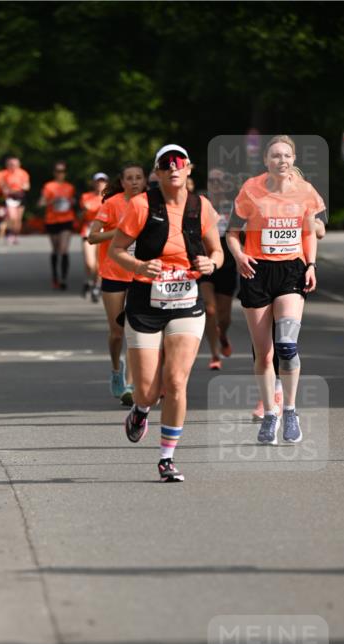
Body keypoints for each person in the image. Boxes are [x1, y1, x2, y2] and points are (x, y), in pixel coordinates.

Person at [108, 144, 222, 482]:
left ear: (189, 169)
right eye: (165, 164)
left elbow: (217, 252)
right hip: (145, 303)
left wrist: (210, 263)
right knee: (147, 389)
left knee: (175, 381)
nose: (173, 168)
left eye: (179, 163)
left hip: (186, 304)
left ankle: (166, 458)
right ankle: (141, 410)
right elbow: (116, 250)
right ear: (157, 173)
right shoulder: (141, 205)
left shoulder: (201, 207)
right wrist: (141, 266)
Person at [226, 135, 325, 445]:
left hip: (291, 271)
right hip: (257, 271)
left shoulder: (305, 191)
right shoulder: (251, 190)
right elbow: (231, 232)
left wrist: (310, 264)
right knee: (264, 354)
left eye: (286, 155)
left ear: (293, 160)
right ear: (265, 161)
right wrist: (240, 255)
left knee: (286, 345)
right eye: (275, 156)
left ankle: (291, 411)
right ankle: (271, 414)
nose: (281, 160)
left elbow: (309, 232)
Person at [88, 162, 147, 402]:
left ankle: (130, 386)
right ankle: (116, 371)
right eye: (129, 178)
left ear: (144, 180)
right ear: (122, 183)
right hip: (113, 272)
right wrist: (121, 231)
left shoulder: (151, 203)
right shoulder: (111, 204)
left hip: (139, 274)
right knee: (117, 332)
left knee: (134, 330)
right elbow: (92, 237)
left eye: (138, 178)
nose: (134, 182)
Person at [199, 168, 237, 370]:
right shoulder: (201, 205)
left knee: (224, 316)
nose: (215, 184)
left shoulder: (233, 207)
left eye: (219, 181)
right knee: (209, 309)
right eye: (212, 180)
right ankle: (214, 354)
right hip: (206, 262)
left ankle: (222, 336)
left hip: (228, 264)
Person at [38, 162, 76, 289]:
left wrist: (72, 202)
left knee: (64, 249)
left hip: (66, 220)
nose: (60, 173)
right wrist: (51, 201)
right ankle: (55, 276)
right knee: (55, 249)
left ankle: (63, 279)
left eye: (63, 171)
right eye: (58, 171)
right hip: (52, 220)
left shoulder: (70, 187)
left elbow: (74, 202)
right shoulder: (48, 186)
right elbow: (41, 203)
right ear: (54, 172)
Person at [79, 172, 108, 300]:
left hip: (103, 231)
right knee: (90, 263)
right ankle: (89, 280)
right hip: (88, 230)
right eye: (98, 181)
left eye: (102, 181)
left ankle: (97, 285)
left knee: (99, 263)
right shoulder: (86, 197)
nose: (100, 184)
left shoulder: (110, 198)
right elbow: (80, 217)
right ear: (94, 183)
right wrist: (85, 210)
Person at [0, 156, 30, 244]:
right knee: (12, 217)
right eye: (11, 164)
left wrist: (23, 187)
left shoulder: (23, 173)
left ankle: (15, 235)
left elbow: (27, 186)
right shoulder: (3, 174)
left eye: (15, 164)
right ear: (7, 165)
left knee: (18, 219)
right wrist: (4, 188)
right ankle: (10, 234)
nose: (13, 166)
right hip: (9, 198)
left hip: (20, 197)